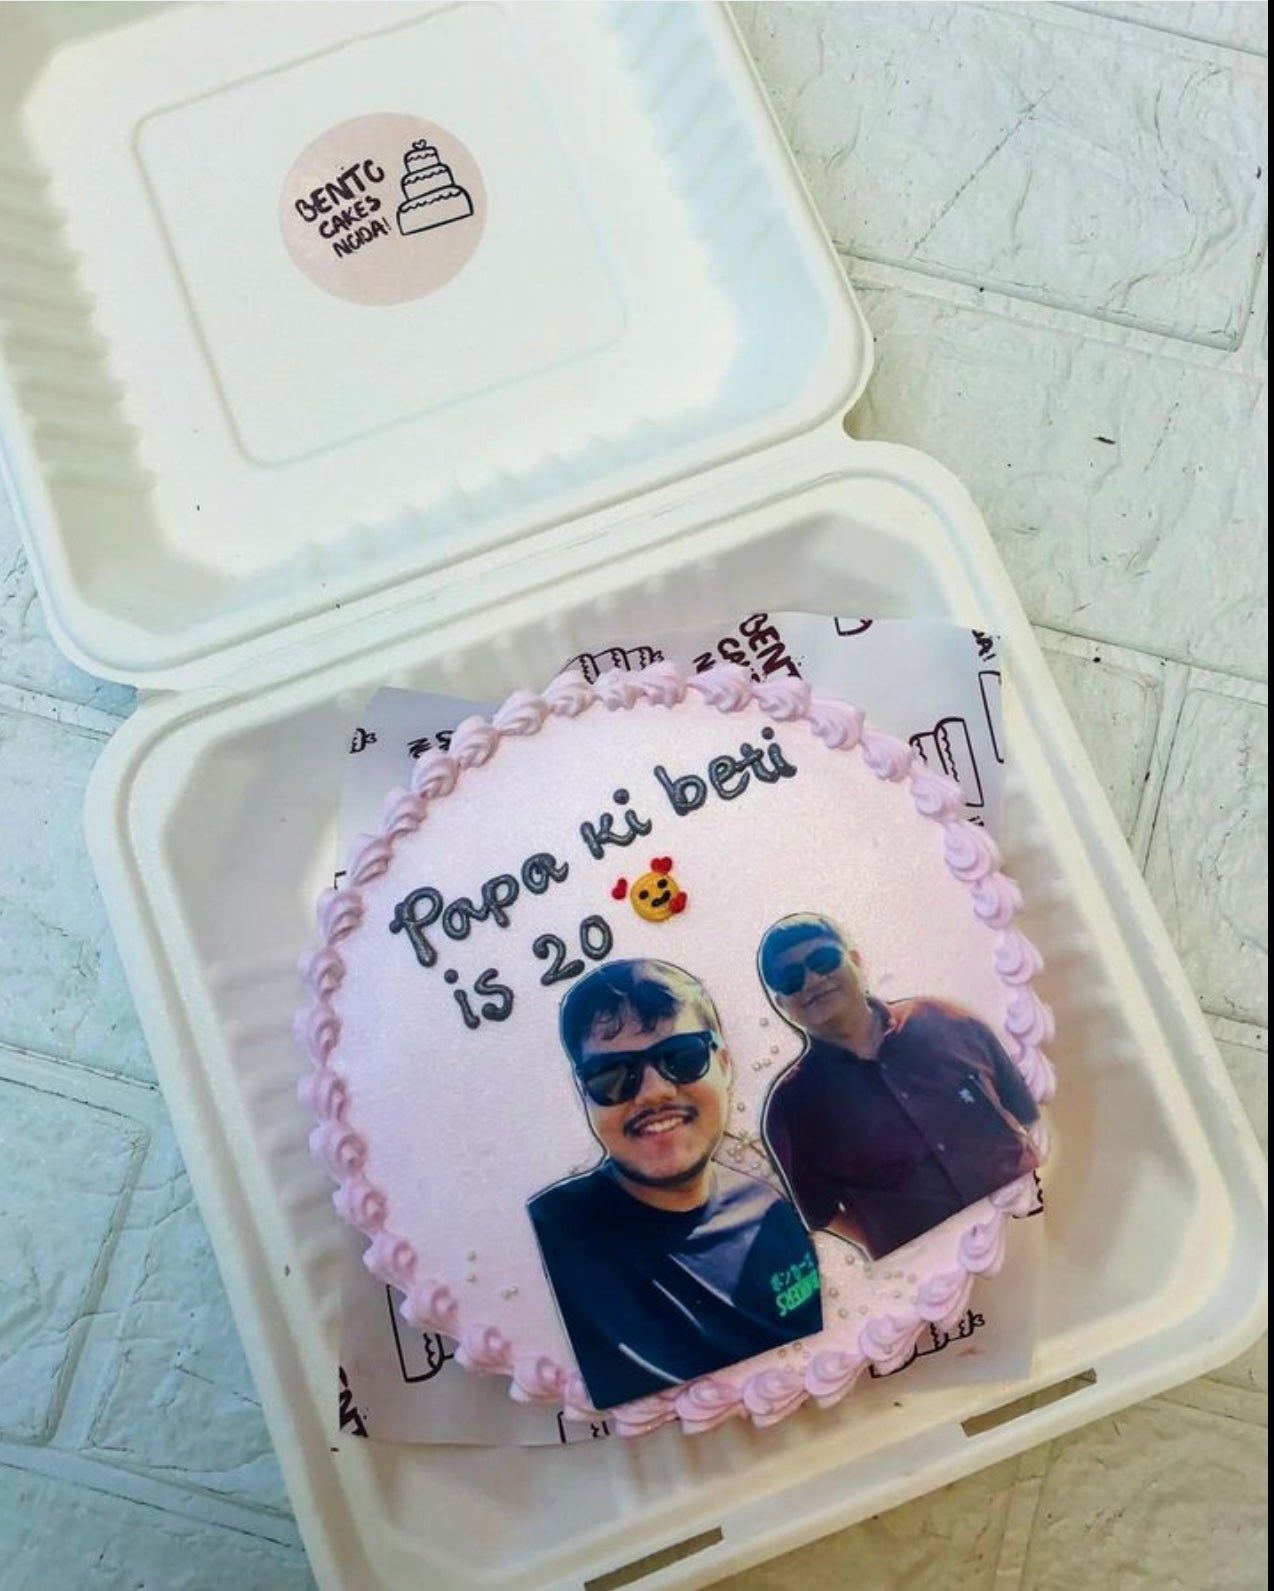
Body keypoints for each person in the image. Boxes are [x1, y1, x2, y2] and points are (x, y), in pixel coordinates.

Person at [528, 959, 823, 1410]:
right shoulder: (550, 1237)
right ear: (582, 1092)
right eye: (612, 1075)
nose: (654, 1092)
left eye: (682, 1057)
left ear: (723, 1064)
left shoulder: (773, 1215)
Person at [758, 914, 1040, 1260]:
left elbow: (1024, 1112)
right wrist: (898, 1239)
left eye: (823, 961)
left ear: (856, 960)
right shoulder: (790, 1109)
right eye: (791, 978)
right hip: (932, 1273)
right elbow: (824, 1214)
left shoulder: (945, 1020)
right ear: (780, 1004)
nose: (813, 979)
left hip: (1034, 1220)